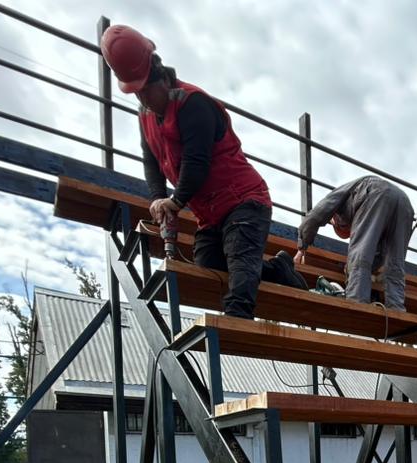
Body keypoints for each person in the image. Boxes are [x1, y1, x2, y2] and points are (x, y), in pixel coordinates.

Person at [100, 25, 307, 319]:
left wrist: (175, 201)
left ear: (160, 78)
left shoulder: (193, 104)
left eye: (146, 90)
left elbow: (197, 163)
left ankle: (237, 318)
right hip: (210, 213)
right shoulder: (146, 116)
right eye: (136, 93)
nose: (144, 100)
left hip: (244, 201)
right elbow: (151, 161)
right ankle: (280, 269)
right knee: (208, 263)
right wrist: (158, 197)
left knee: (239, 260)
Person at [296, 176, 413, 310]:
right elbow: (383, 255)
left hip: (375, 192)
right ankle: (396, 309)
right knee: (396, 262)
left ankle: (357, 305)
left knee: (359, 257)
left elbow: (316, 215)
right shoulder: (377, 221)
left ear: (337, 219)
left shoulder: (342, 197)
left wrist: (302, 247)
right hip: (405, 203)